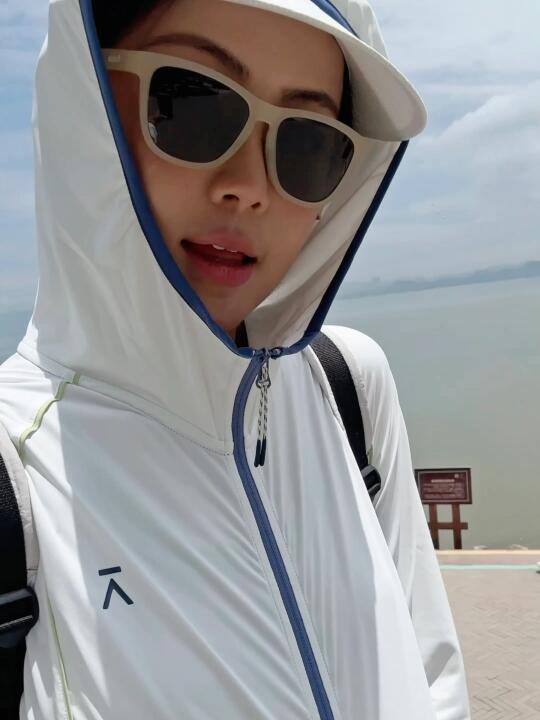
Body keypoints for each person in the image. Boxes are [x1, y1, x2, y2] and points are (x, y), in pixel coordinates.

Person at [0, 0, 471, 718]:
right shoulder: (14, 468)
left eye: (309, 144)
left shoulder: (346, 387)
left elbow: (433, 674)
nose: (249, 187)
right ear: (82, 104)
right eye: (192, 101)